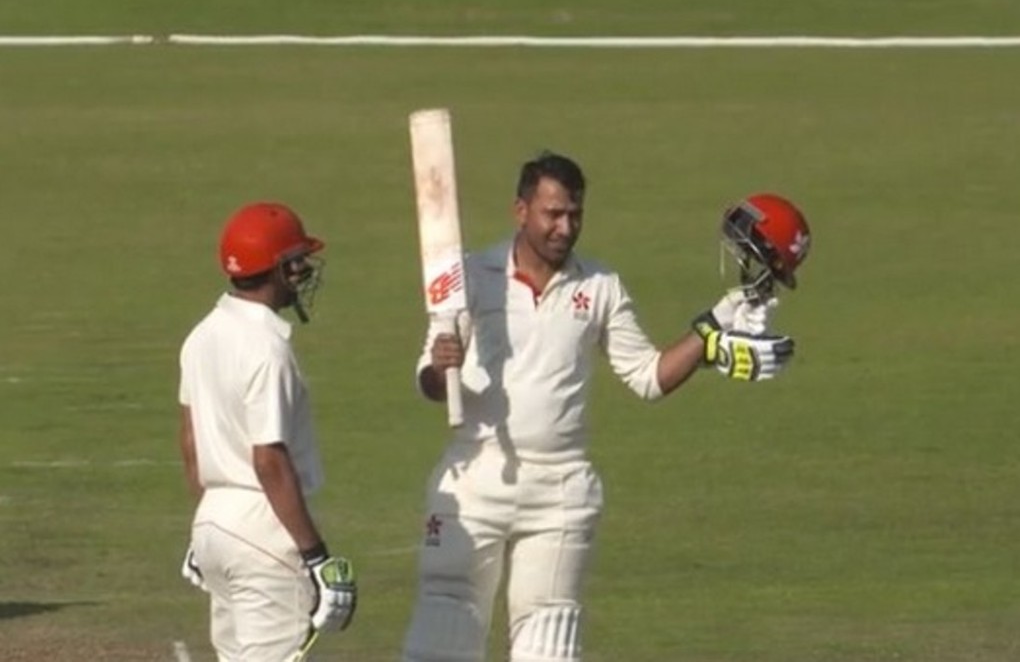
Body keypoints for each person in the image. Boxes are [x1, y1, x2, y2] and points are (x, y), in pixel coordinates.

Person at [401, 152, 800, 662]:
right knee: (445, 632)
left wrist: (714, 329)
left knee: (549, 641)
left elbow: (648, 377)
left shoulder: (600, 285)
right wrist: (442, 365)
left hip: (560, 488)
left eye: (574, 215)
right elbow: (431, 383)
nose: (565, 228)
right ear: (520, 211)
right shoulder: (471, 277)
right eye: (553, 214)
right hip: (474, 477)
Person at [177, 201, 356, 662]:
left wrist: (210, 525)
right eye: (296, 261)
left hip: (213, 523)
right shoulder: (268, 349)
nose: (302, 271)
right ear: (277, 269)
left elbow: (191, 442)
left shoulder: (201, 336)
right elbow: (268, 459)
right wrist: (317, 558)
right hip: (263, 534)